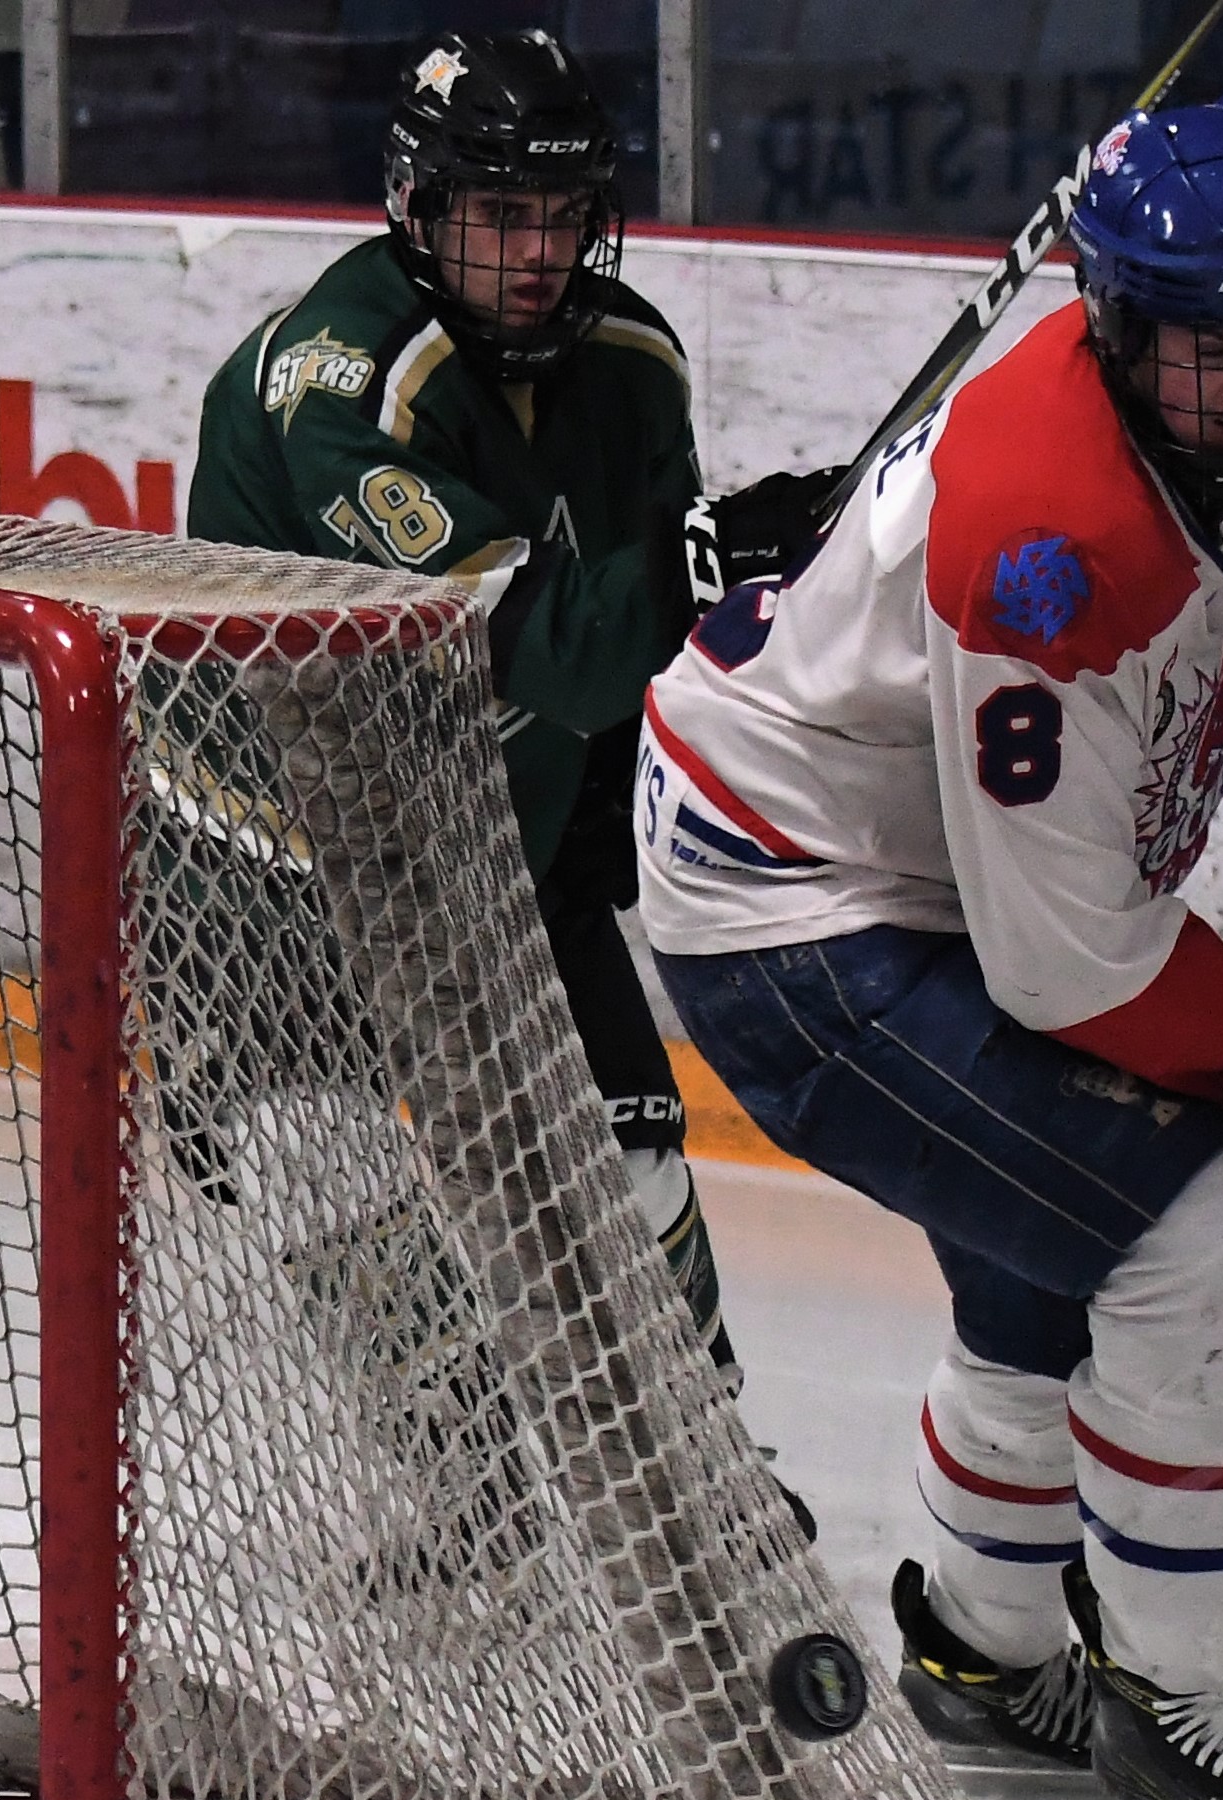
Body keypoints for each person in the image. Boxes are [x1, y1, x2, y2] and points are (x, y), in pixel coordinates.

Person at [635, 97, 1223, 1800]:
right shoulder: (1050, 542)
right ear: (1117, 333)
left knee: (1051, 1247)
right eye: (1204, 350)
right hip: (793, 910)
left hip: (903, 863)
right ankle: (1169, 1723)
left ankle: (980, 1656)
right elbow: (1070, 962)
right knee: (1199, 1238)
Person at [187, 28, 832, 1401]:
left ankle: (705, 1470)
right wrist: (710, 561)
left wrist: (611, 785)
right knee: (330, 1173)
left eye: (561, 214)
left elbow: (642, 641)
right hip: (268, 860)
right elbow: (552, 646)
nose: (538, 253)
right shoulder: (350, 389)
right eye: (496, 214)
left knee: (630, 1164)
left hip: (483, 828)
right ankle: (469, 1487)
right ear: (417, 208)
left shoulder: (631, 362)